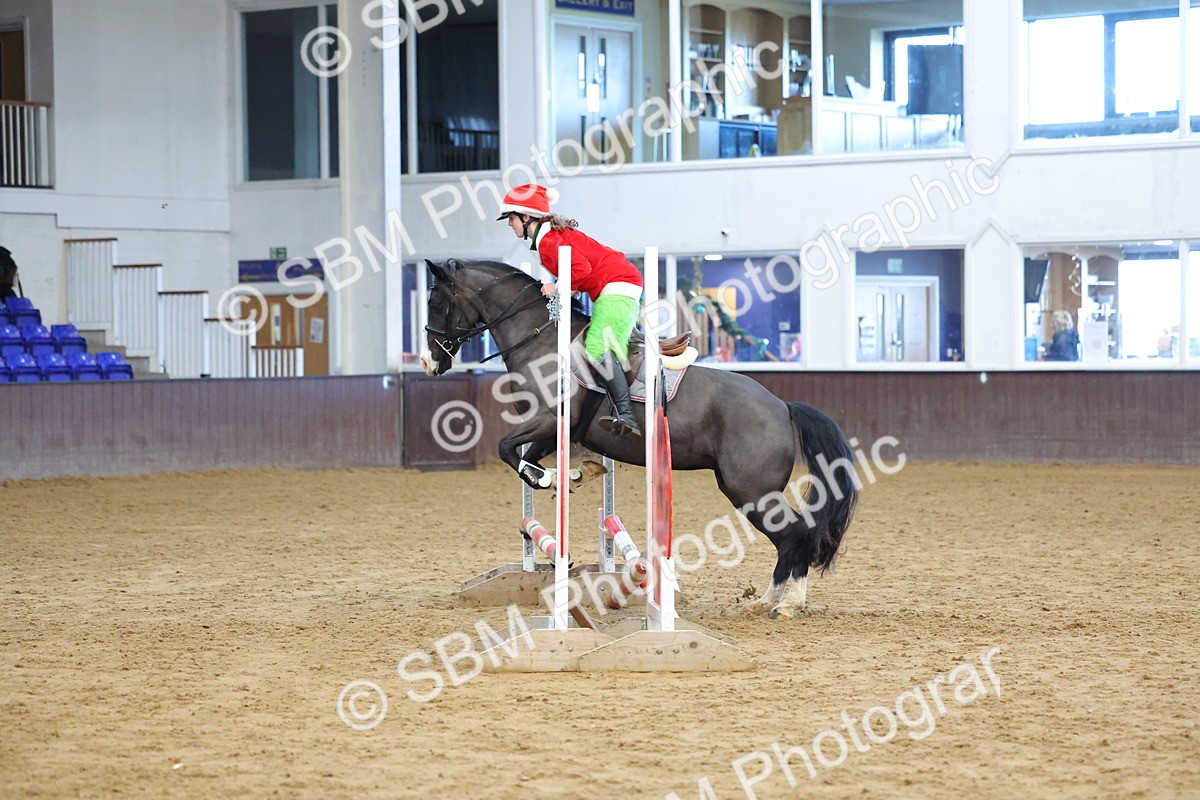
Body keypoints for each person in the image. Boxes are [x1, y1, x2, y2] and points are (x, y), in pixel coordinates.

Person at [497, 184, 643, 439]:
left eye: (511, 219)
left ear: (526, 217)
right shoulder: (549, 239)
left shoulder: (549, 242)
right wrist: (563, 287)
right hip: (617, 287)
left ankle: (627, 415)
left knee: (596, 348)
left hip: (617, 287)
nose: (510, 225)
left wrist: (558, 286)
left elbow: (581, 270)